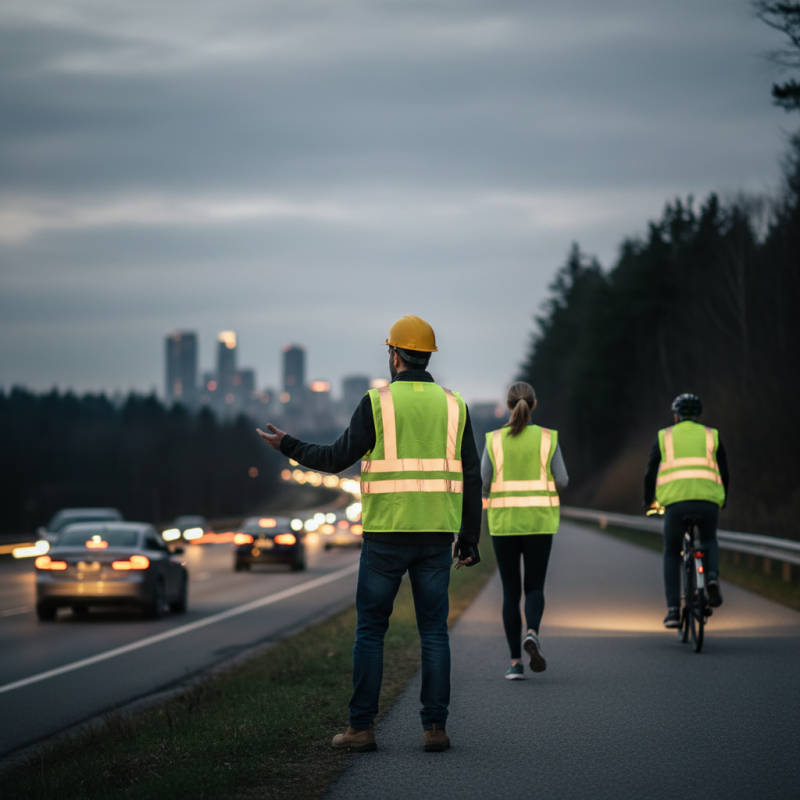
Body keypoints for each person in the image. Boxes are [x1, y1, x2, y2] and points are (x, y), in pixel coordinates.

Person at [257, 315, 482, 753]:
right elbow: (471, 475)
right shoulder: (455, 405)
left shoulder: (377, 402)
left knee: (371, 632)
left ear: (394, 355)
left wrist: (288, 445)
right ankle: (435, 729)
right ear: (427, 357)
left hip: (385, 536)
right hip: (436, 535)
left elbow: (336, 458)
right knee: (434, 632)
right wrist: (468, 537)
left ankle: (361, 729)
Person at [481, 382, 568, 680]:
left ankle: (516, 663)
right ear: (534, 405)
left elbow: (484, 480)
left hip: (504, 524)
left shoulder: (494, 440)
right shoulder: (547, 438)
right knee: (534, 587)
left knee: (510, 592)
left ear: (508, 406)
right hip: (539, 523)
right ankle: (532, 632)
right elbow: (563, 480)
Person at [643, 393, 729, 629]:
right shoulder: (711, 435)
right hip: (708, 502)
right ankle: (711, 578)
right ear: (699, 416)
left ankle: (673, 610)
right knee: (709, 539)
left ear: (676, 416)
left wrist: (648, 501)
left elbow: (650, 472)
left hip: (676, 504)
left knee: (672, 552)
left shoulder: (665, 436)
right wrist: (723, 499)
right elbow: (724, 471)